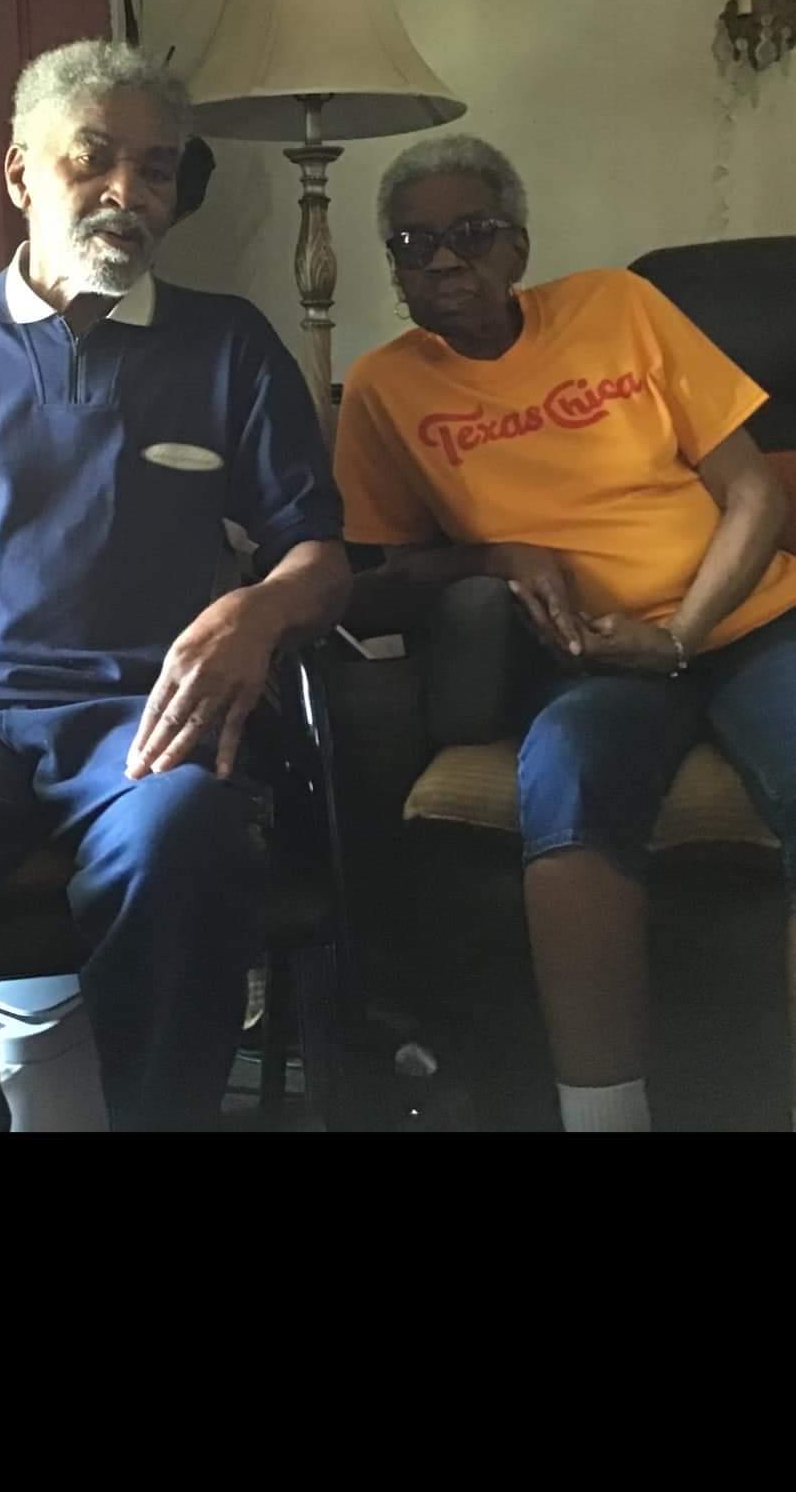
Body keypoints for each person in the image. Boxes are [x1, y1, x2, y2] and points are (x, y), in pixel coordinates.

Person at [0, 40, 349, 1132]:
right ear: (22, 172)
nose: (130, 191)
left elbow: (317, 549)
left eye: (159, 167)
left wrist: (257, 609)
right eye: (95, 159)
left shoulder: (228, 344)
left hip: (146, 711)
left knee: (185, 841)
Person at [334, 131, 796, 1133]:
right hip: (587, 654)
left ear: (517, 246)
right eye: (412, 242)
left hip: (747, 620)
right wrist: (496, 557)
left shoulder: (616, 306)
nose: (441, 259)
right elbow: (370, 589)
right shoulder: (382, 386)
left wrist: (681, 632)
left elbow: (753, 494)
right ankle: (602, 1115)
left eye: (469, 233)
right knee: (569, 784)